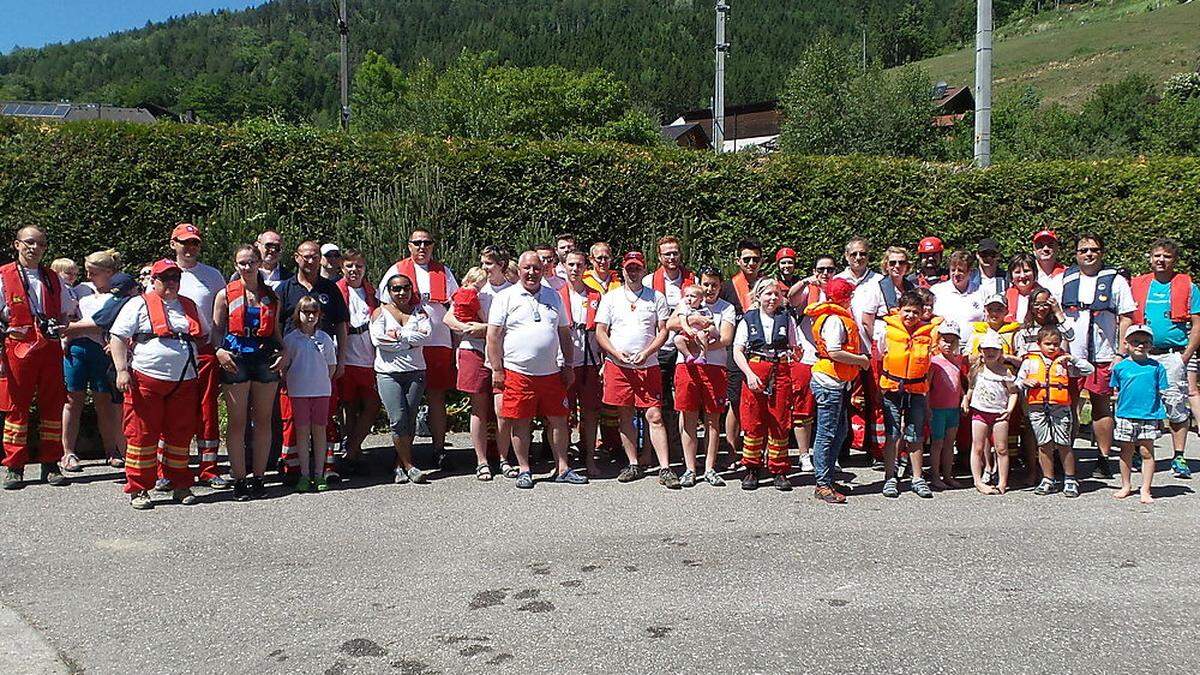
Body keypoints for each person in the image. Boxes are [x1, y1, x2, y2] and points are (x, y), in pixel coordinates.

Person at [108, 259, 205, 509]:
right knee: (142, 434)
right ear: (154, 280)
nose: (171, 283)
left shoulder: (189, 306)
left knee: (180, 435)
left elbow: (204, 336)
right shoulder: (138, 304)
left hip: (184, 381)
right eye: (165, 278)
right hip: (146, 380)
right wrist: (121, 370)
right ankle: (139, 488)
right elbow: (118, 336)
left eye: (175, 278)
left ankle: (179, 483)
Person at [487, 252, 587, 489]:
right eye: (526, 268)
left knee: (559, 420)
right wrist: (497, 369)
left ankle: (562, 467)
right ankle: (524, 469)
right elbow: (493, 336)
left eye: (536, 268)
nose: (531, 273)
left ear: (543, 270)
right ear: (518, 270)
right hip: (517, 372)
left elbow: (564, 332)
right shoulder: (506, 297)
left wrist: (569, 365)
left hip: (552, 372)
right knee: (521, 422)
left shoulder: (554, 296)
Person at [595, 251, 679, 489]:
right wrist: (614, 352)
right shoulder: (610, 298)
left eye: (637, 268)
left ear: (644, 270)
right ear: (622, 270)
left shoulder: (656, 297)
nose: (633, 272)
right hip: (618, 365)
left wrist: (649, 352)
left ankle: (664, 467)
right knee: (625, 415)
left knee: (654, 415)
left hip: (648, 364)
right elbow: (601, 331)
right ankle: (633, 463)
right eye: (629, 268)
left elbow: (663, 330)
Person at [377, 229, 458, 466]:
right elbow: (385, 306)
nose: (422, 247)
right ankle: (403, 455)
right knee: (404, 403)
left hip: (438, 342)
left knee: (436, 396)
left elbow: (455, 303)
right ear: (409, 245)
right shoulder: (397, 270)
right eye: (417, 243)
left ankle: (439, 449)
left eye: (427, 243)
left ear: (433, 246)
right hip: (407, 346)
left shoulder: (443, 270)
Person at [0, 226, 72, 490]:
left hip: (50, 348)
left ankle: (51, 463)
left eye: (41, 244)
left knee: (53, 405)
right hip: (18, 349)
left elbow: (67, 312)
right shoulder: (3, 275)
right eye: (29, 242)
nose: (35, 248)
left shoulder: (53, 278)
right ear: (17, 245)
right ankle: (14, 466)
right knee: (17, 406)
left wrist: (61, 324)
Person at [211, 245, 285, 501]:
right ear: (235, 265)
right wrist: (219, 352)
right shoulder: (225, 295)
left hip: (264, 356)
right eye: (242, 262)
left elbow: (275, 332)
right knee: (238, 420)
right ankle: (240, 478)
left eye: (251, 262)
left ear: (259, 263)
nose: (247, 267)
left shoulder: (272, 296)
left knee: (263, 420)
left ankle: (260, 477)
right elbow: (216, 331)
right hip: (236, 356)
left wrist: (283, 354)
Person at [1061, 232, 1134, 480]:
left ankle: (1103, 458)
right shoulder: (1067, 277)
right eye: (1083, 250)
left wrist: (1120, 352)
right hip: (1071, 354)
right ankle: (1066, 456)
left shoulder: (1115, 281)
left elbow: (1126, 317)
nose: (1089, 254)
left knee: (1101, 406)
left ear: (1101, 252)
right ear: (1076, 254)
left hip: (1103, 354)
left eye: (1093, 249)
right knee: (1067, 406)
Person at [277, 241, 350, 481]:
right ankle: (293, 468)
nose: (310, 261)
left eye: (315, 256)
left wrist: (341, 360)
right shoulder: (285, 288)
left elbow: (341, 325)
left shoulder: (330, 288)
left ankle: (325, 468)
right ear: (296, 258)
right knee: (292, 420)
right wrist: (280, 360)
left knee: (324, 419)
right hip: (294, 365)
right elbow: (276, 325)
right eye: (306, 256)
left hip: (323, 365)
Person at [1128, 237, 1198, 479]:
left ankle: (1179, 456)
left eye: (1167, 256)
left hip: (1172, 356)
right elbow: (1126, 317)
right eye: (1157, 255)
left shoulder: (1188, 286)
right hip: (1142, 354)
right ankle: (1140, 452)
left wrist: (1186, 355)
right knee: (1141, 404)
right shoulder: (1137, 284)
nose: (1161, 260)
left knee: (1176, 405)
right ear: (1150, 257)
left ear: (1174, 260)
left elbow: (1197, 323)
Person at [168, 223, 230, 489]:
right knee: (173, 412)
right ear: (173, 244)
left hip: (204, 350)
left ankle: (208, 468)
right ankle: (168, 469)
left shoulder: (213, 275)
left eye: (194, 243)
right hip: (172, 352)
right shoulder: (162, 274)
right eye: (184, 243)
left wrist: (218, 346)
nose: (190, 248)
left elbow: (222, 316)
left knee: (207, 411)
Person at [446, 246, 513, 479]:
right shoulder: (474, 288)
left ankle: (504, 458)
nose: (484, 268)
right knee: (478, 409)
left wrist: (484, 329)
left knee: (502, 410)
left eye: (489, 264)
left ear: (502, 265)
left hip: (503, 355)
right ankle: (481, 461)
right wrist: (467, 328)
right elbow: (448, 317)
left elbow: (512, 326)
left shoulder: (512, 291)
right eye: (483, 263)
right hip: (472, 351)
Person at [60, 249, 127, 473]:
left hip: (102, 350)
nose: (88, 277)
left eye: (93, 273)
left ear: (109, 272)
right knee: (72, 400)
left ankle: (112, 450)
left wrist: (68, 328)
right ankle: (68, 452)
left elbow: (102, 323)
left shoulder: (118, 295)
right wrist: (67, 327)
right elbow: (67, 312)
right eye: (87, 272)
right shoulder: (80, 290)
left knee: (104, 401)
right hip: (77, 349)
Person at [668, 268, 735, 487]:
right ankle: (689, 468)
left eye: (714, 285)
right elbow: (670, 324)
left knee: (712, 420)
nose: (709, 289)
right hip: (686, 367)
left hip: (714, 366)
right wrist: (692, 318)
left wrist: (700, 347)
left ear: (720, 286)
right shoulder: (687, 303)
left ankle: (709, 468)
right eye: (706, 284)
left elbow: (725, 338)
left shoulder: (727, 308)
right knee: (688, 418)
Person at [807, 277, 871, 503]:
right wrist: (861, 360)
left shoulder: (835, 317)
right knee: (827, 433)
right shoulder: (834, 320)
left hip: (836, 381)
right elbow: (834, 352)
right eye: (850, 296)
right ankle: (822, 484)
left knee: (840, 430)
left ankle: (828, 478)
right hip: (829, 381)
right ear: (845, 298)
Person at [733, 277, 798, 491]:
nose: (772, 298)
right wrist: (750, 374)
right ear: (758, 296)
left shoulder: (786, 318)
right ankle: (751, 468)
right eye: (768, 294)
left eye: (776, 294)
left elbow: (795, 346)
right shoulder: (748, 319)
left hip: (780, 370)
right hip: (756, 368)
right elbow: (737, 351)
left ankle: (779, 469)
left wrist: (797, 353)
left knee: (780, 420)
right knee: (753, 420)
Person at [370, 271, 432, 485]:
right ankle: (409, 465)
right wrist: (410, 342)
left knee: (410, 418)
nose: (401, 292)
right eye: (396, 288)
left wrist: (399, 337)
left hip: (416, 372)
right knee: (397, 419)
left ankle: (399, 464)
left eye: (406, 288)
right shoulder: (380, 312)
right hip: (388, 374)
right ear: (389, 291)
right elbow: (379, 340)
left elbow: (426, 335)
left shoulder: (420, 312)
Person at [1017, 326, 1094, 498]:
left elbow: (1089, 370)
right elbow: (1018, 382)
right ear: (1039, 344)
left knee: (1063, 443)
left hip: (1060, 407)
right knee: (1044, 444)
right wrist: (1026, 382)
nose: (1052, 347)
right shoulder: (1029, 361)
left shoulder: (1064, 361)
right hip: (1037, 408)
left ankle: (1070, 479)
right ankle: (1048, 479)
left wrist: (1072, 358)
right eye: (1048, 344)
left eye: (1056, 344)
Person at [877, 290, 937, 498]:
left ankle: (917, 478)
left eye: (915, 312)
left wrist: (927, 393)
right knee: (893, 435)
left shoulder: (928, 334)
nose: (910, 316)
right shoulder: (885, 331)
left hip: (917, 390)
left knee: (915, 435)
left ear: (922, 313)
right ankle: (890, 477)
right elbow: (879, 356)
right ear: (898, 311)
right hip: (892, 388)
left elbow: (930, 366)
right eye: (907, 311)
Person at [282, 297, 337, 493]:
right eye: (306, 312)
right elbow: (285, 366)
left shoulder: (325, 338)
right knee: (302, 432)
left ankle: (319, 474)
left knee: (320, 431)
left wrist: (320, 380)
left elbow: (331, 366)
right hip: (298, 392)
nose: (310, 316)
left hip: (321, 390)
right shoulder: (290, 339)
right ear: (298, 314)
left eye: (314, 312)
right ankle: (304, 474)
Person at [335, 249, 382, 473]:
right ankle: (351, 451)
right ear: (342, 268)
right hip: (346, 353)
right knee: (348, 406)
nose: (354, 270)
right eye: (350, 266)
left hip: (369, 355)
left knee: (372, 405)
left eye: (359, 266)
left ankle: (353, 448)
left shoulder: (371, 291)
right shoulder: (336, 290)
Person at [1110, 324, 1168, 504]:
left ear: (1151, 345)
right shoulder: (1120, 368)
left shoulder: (1157, 367)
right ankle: (1126, 485)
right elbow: (1116, 390)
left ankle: (1145, 488)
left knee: (1146, 451)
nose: (1141, 345)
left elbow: (1161, 392)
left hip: (1149, 415)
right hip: (1126, 414)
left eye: (1146, 342)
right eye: (1136, 341)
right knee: (1125, 451)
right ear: (1126, 344)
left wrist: (1161, 418)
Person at [717, 238, 763, 463]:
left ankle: (759, 451)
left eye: (756, 259)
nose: (751, 263)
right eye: (747, 259)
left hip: (764, 354)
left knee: (763, 402)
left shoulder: (768, 286)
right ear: (738, 261)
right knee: (735, 402)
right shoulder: (727, 287)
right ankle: (732, 451)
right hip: (735, 352)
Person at [558, 251, 604, 475]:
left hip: (590, 362)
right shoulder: (556, 295)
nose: (575, 269)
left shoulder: (596, 295)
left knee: (591, 412)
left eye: (579, 265)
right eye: (571, 264)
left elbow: (605, 330)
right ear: (564, 266)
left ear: (586, 267)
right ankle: (564, 460)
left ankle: (589, 459)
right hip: (564, 363)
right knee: (563, 414)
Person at [788, 254, 835, 472]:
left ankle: (825, 453)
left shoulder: (841, 290)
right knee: (803, 409)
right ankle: (804, 454)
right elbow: (791, 297)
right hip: (807, 357)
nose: (825, 274)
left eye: (830, 269)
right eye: (821, 269)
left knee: (829, 410)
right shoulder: (808, 290)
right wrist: (807, 280)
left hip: (834, 358)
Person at [963, 332, 1018, 495]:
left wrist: (1009, 410)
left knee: (1001, 448)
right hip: (980, 412)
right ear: (981, 350)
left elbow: (1013, 392)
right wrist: (966, 400)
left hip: (999, 413)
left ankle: (1002, 481)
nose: (990, 353)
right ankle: (978, 480)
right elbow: (971, 388)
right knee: (977, 446)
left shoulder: (1005, 372)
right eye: (987, 349)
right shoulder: (977, 370)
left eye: (994, 349)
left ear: (1000, 352)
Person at [927, 325, 965, 490]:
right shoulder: (934, 362)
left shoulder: (956, 361)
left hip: (953, 408)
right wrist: (927, 407)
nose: (948, 344)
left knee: (950, 443)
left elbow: (958, 384)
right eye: (945, 341)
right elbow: (927, 387)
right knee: (937, 443)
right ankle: (935, 476)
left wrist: (963, 399)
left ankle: (948, 475)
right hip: (937, 408)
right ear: (938, 341)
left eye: (952, 341)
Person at [931, 250, 984, 327]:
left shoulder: (981, 291)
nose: (956, 274)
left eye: (961, 270)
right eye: (953, 270)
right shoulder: (936, 291)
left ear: (970, 272)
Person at [672, 285, 719, 364]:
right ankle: (688, 355)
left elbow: (711, 322)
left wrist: (709, 330)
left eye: (693, 296)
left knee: (701, 334)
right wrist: (688, 330)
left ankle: (702, 356)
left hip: (700, 334)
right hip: (687, 334)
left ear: (700, 299)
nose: (689, 298)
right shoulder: (684, 308)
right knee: (677, 339)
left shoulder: (705, 310)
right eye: (687, 296)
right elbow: (683, 321)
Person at [1003, 253, 1040, 324]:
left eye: (1026, 271)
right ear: (1011, 276)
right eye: (1017, 272)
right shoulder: (1004, 298)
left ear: (1035, 273)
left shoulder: (1043, 295)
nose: (1022, 276)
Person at [1032, 229, 1066, 300]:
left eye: (1050, 245)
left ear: (1057, 248)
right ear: (1034, 250)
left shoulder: (1066, 273)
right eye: (1040, 246)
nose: (1045, 249)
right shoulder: (1028, 273)